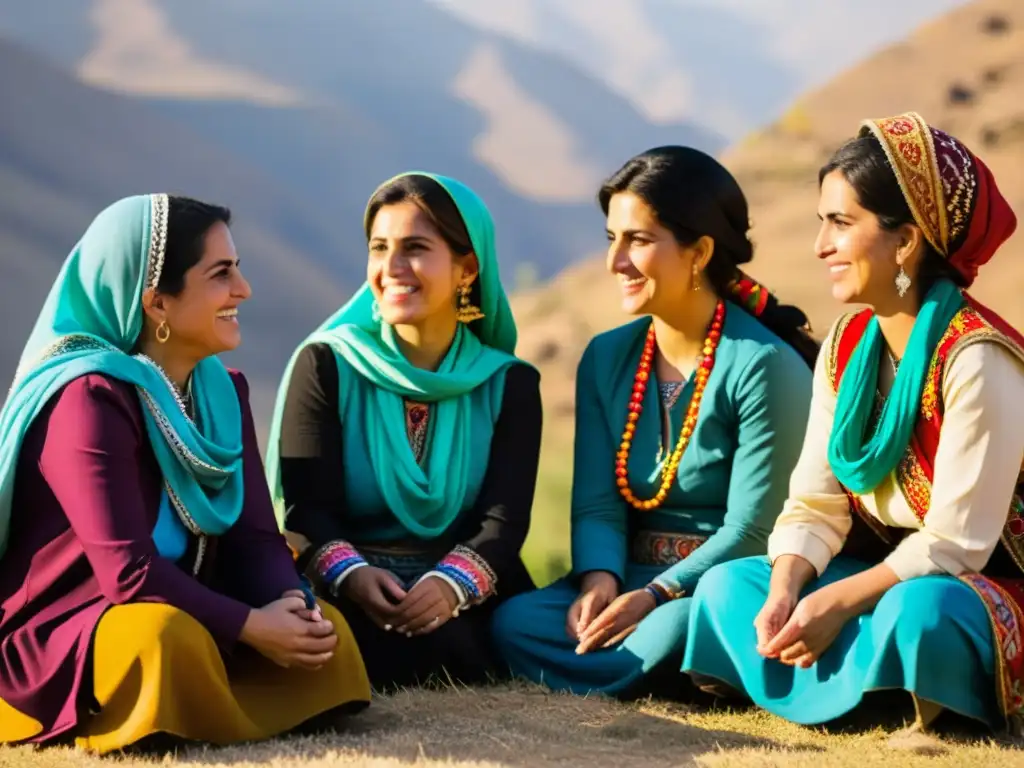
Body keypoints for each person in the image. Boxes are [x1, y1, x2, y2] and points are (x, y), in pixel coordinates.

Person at [682, 112, 1024, 738]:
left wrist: (838, 601)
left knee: (920, 613)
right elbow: (815, 502)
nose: (820, 247)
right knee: (731, 586)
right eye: (822, 223)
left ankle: (880, 688)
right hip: (884, 573)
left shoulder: (976, 357)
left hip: (979, 583)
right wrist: (788, 587)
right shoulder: (846, 345)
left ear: (905, 242)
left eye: (841, 224)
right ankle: (872, 686)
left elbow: (958, 544)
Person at [0, 195, 370, 754]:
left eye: (238, 268)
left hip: (197, 603)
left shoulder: (223, 390)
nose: (242, 289)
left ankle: (209, 693)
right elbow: (127, 573)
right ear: (157, 303)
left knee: (328, 635)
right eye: (221, 274)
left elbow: (253, 536)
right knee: (165, 640)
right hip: (75, 623)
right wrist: (250, 626)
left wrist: (289, 605)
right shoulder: (88, 398)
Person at [491, 146, 817, 697]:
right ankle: (661, 669)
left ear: (699, 251)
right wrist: (600, 581)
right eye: (611, 239)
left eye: (638, 240)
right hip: (628, 579)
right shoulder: (606, 357)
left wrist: (657, 595)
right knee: (515, 621)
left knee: (677, 630)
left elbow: (753, 531)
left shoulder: (763, 365)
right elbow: (598, 503)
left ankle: (674, 660)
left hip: (718, 585)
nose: (616, 261)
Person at [266, 172, 542, 690]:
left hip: (463, 591)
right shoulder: (327, 364)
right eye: (379, 248)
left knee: (471, 647)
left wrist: (448, 585)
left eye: (415, 248)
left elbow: (503, 519)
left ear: (467, 268)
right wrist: (354, 577)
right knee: (334, 641)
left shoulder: (509, 384)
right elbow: (307, 509)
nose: (392, 269)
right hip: (347, 586)